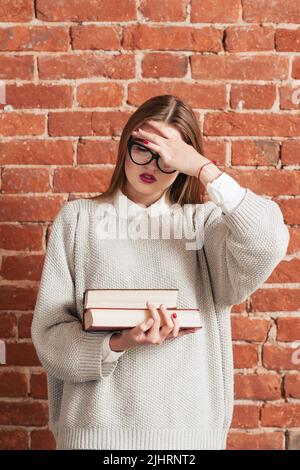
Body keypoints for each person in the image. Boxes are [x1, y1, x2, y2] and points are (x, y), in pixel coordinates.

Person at [31, 94, 289, 450]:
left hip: (187, 440)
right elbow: (50, 336)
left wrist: (204, 168)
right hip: (94, 437)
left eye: (167, 156)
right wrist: (117, 343)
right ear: (126, 145)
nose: (152, 163)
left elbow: (269, 239)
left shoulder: (206, 224)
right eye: (143, 148)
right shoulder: (78, 220)